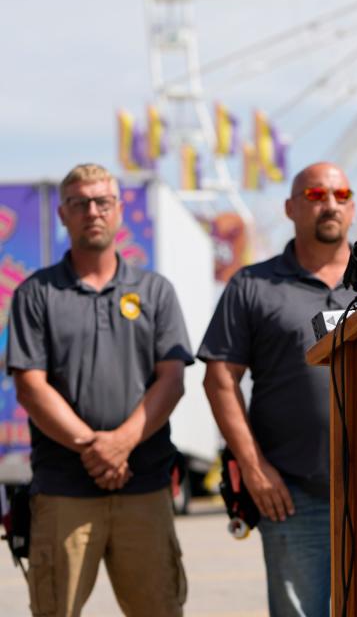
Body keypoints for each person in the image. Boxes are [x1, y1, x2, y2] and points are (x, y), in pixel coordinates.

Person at [7, 164, 193, 616]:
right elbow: (31, 387)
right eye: (80, 203)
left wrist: (121, 444)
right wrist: (96, 448)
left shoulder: (155, 291)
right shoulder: (36, 294)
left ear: (118, 210)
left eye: (102, 201)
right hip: (63, 491)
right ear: (63, 214)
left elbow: (172, 380)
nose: (92, 211)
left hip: (144, 486)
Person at [198, 162, 357, 617]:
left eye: (341, 195)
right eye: (315, 195)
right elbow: (219, 379)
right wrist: (254, 468)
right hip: (293, 493)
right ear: (289, 207)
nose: (330, 204)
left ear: (352, 207)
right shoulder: (253, 286)